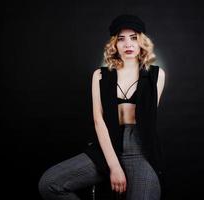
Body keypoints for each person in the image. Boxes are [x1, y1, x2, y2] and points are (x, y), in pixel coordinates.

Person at [38, 14, 167, 200]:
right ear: (114, 44)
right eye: (121, 39)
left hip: (140, 150)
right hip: (107, 145)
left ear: (142, 41)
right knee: (49, 183)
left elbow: (148, 119)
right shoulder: (100, 75)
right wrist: (114, 166)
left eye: (133, 38)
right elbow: (99, 120)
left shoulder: (156, 75)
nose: (128, 44)